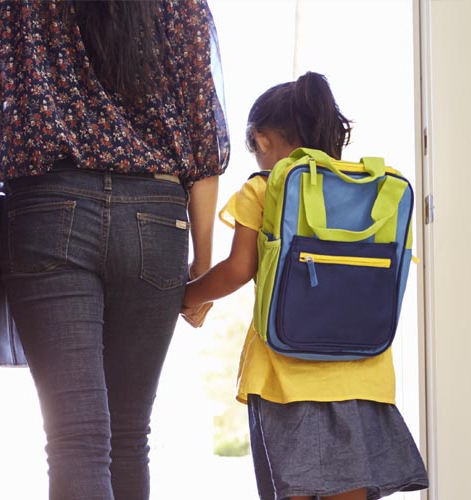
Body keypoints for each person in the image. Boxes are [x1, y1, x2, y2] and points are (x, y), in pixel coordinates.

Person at [0, 2, 229, 499]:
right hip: (156, 215)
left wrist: (48, 122)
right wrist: (202, 268)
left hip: (49, 205)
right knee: (127, 438)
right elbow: (201, 138)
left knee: (74, 440)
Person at [181, 72, 429, 500]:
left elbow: (239, 268)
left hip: (284, 377)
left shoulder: (264, 187)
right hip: (363, 374)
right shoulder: (374, 188)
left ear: (260, 140)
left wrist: (185, 298)